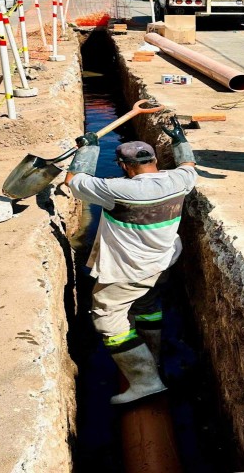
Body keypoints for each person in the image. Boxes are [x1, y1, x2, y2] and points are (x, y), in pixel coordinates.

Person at [64, 116, 197, 404]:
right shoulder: (179, 181)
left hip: (129, 270)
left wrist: (88, 149)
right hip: (164, 261)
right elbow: (188, 164)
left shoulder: (118, 190)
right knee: (148, 306)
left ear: (125, 166)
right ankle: (154, 356)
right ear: (155, 161)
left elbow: (74, 182)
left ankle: (145, 381)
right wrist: (179, 140)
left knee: (108, 320)